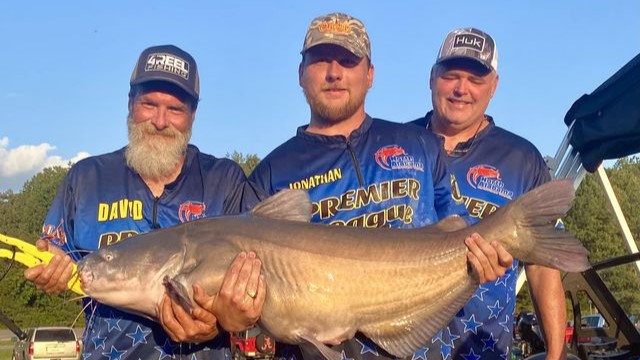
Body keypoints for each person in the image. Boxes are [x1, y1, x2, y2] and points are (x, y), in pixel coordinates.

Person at [248, 13, 513, 360]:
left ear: (370, 74)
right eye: (320, 61)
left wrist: (487, 256)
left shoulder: (418, 143)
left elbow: (458, 228)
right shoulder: (270, 172)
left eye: (347, 61)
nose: (334, 73)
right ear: (300, 74)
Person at [24, 44, 264, 359]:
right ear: (130, 104)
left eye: (175, 109)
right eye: (148, 104)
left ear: (192, 115)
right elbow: (58, 259)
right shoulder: (86, 179)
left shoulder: (224, 180)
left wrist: (216, 323)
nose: (160, 121)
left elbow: (256, 288)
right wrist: (51, 270)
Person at [410, 28, 567, 359]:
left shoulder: (521, 160)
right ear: (431, 78)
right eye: (451, 75)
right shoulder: (396, 145)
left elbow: (542, 267)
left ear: (493, 86)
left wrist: (555, 353)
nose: (461, 89)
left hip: (483, 350)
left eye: (475, 79)